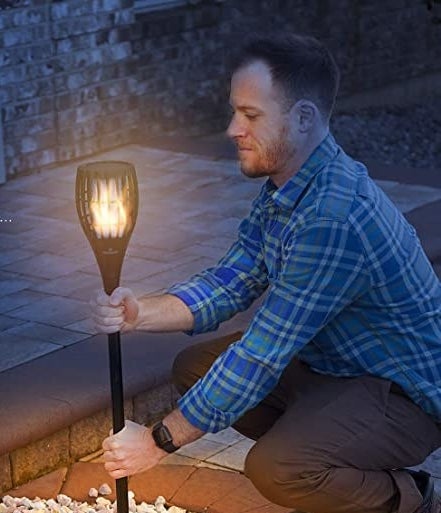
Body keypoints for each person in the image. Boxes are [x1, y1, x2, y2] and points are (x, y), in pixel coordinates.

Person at [92, 33, 441, 513]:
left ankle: (411, 498)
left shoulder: (332, 218)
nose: (234, 128)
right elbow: (232, 279)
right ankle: (328, 457)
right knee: (195, 368)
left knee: (276, 468)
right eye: (235, 111)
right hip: (338, 368)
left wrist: (156, 443)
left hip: (402, 397)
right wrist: (140, 312)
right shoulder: (292, 185)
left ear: (302, 119)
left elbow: (261, 354)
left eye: (251, 115)